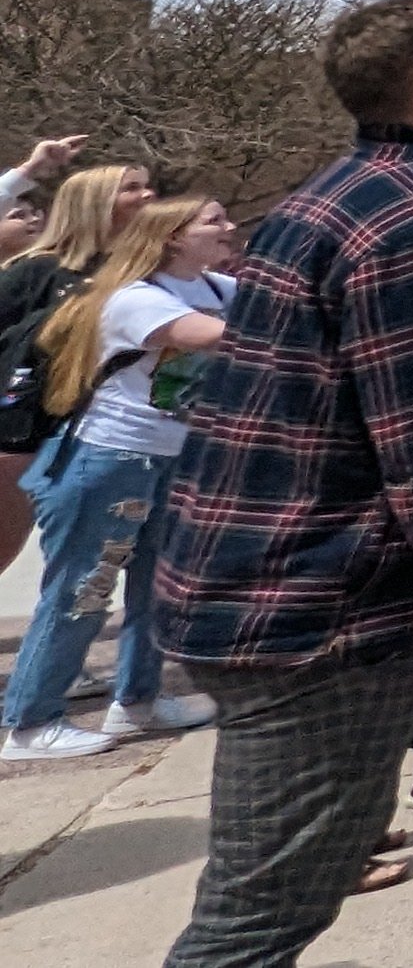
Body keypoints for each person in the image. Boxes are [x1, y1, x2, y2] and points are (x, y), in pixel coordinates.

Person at [154, 0, 413, 968]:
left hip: (279, 588)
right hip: (313, 607)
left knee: (276, 902)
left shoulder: (365, 194)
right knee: (255, 923)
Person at [1, 193, 236, 760]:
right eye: (214, 221)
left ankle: (137, 701)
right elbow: (216, 337)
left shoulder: (212, 287)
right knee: (83, 590)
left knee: (156, 587)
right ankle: (30, 724)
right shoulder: (134, 299)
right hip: (108, 461)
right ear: (173, 237)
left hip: (168, 458)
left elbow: (282, 304)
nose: (229, 227)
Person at [0, 154, 156, 578]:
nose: (148, 195)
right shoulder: (36, 270)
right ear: (94, 203)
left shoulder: (143, 275)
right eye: (132, 188)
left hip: (105, 428)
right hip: (19, 433)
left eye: (146, 185)